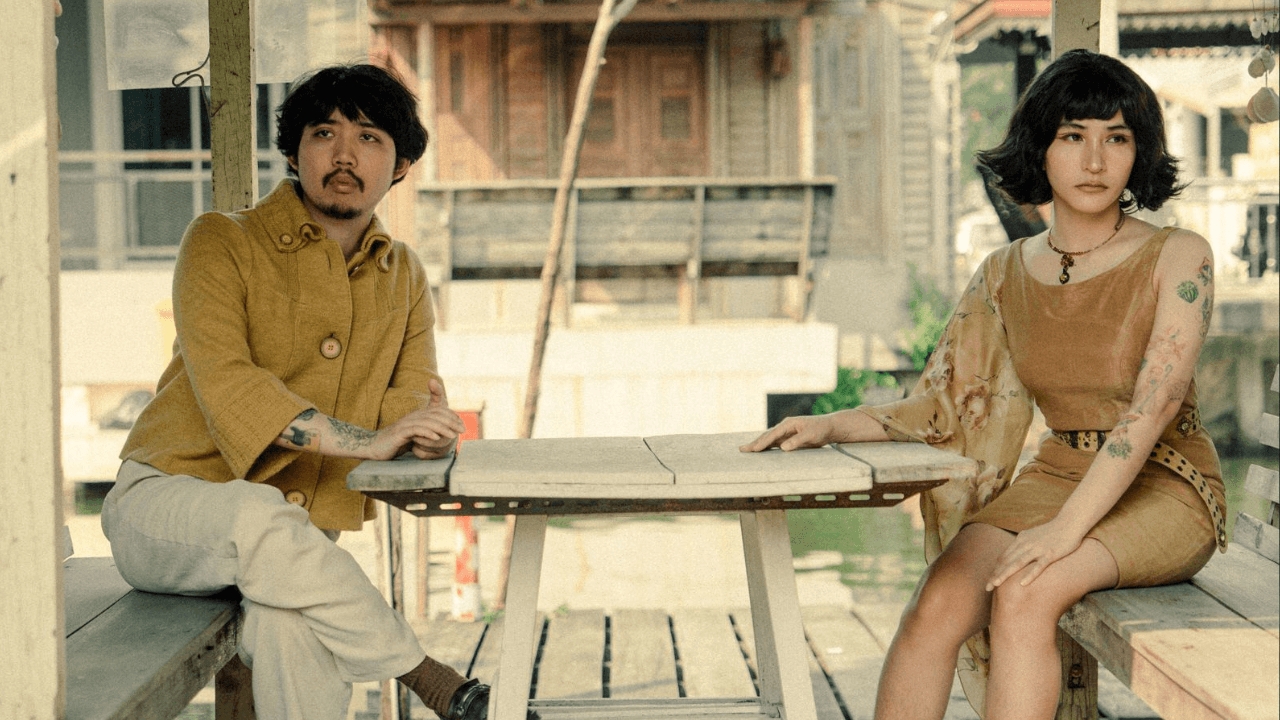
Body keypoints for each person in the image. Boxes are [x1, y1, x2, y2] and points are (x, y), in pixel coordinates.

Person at [742, 49, 1224, 720]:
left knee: (1026, 589)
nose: (1094, 161)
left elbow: (1154, 407)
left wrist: (1064, 533)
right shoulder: (1004, 271)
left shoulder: (1178, 255)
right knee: (935, 605)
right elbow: (949, 402)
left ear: (1138, 151)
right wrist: (831, 424)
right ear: (1041, 148)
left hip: (1166, 484)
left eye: (1116, 138)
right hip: (1056, 475)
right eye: (1073, 137)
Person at [101, 64, 507, 720]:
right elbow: (231, 386)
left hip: (301, 543)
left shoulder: (403, 274)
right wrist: (373, 440)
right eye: (324, 133)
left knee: (293, 631)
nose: (344, 154)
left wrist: (426, 433)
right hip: (166, 508)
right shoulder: (220, 241)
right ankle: (431, 679)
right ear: (294, 152)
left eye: (369, 137)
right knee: (256, 515)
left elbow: (410, 400)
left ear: (401, 164)